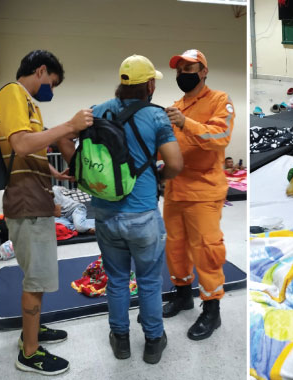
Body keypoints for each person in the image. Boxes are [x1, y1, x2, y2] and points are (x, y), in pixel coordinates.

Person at [0, 50, 93, 376]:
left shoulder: (31, 105)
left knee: (39, 276)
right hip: (25, 203)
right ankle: (30, 353)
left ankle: (31, 331)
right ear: (40, 71)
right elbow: (21, 145)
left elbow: (29, 156)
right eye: (52, 82)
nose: (51, 90)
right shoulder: (13, 94)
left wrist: (57, 175)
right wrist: (67, 126)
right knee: (35, 279)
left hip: (38, 199)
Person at [89, 54, 183, 364]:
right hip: (142, 215)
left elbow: (77, 152)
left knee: (116, 280)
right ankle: (154, 342)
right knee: (149, 281)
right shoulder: (156, 117)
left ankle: (121, 341)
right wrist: (159, 176)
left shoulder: (97, 110)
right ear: (150, 85)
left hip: (105, 212)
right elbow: (175, 163)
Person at [161, 49, 235, 341]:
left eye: (189, 68)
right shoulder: (175, 106)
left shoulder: (220, 100)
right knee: (175, 248)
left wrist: (185, 123)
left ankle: (212, 309)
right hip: (175, 189)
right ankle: (182, 295)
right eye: (179, 70)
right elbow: (165, 147)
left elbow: (220, 137)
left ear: (204, 71)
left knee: (207, 249)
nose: (183, 74)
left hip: (204, 190)